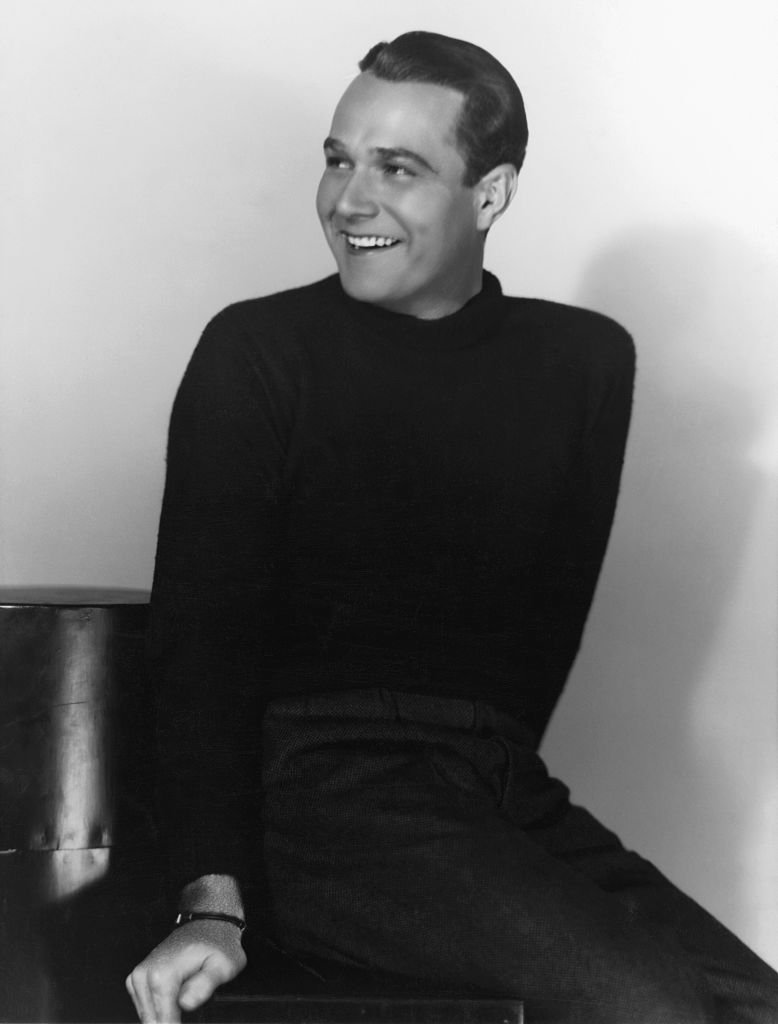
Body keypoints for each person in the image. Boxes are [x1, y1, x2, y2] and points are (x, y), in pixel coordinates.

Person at [126, 30, 778, 1024]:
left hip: (489, 786)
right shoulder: (257, 354)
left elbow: (533, 648)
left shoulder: (582, 365)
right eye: (338, 158)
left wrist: (493, 819)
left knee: (752, 1004)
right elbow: (197, 653)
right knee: (647, 1009)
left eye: (398, 167)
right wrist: (209, 900)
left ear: (491, 192)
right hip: (314, 798)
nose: (349, 199)